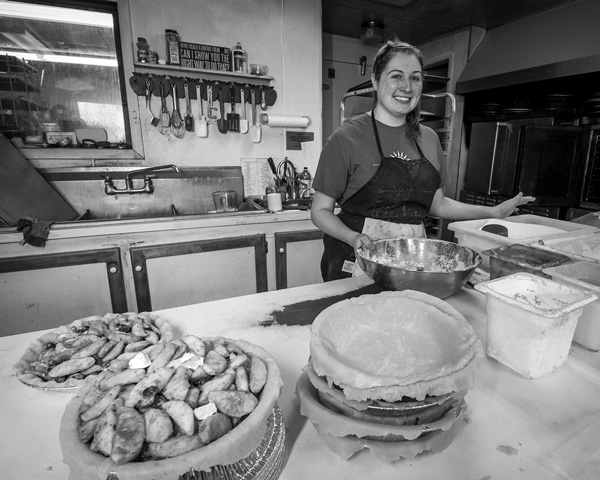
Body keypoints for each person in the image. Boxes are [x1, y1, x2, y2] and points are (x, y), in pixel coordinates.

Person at [311, 39, 535, 282]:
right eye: (396, 76)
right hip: (355, 257)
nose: (406, 86)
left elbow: (437, 205)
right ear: (376, 81)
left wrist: (494, 211)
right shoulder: (346, 138)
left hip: (411, 260)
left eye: (415, 78)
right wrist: (352, 237)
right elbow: (320, 210)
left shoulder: (428, 138)